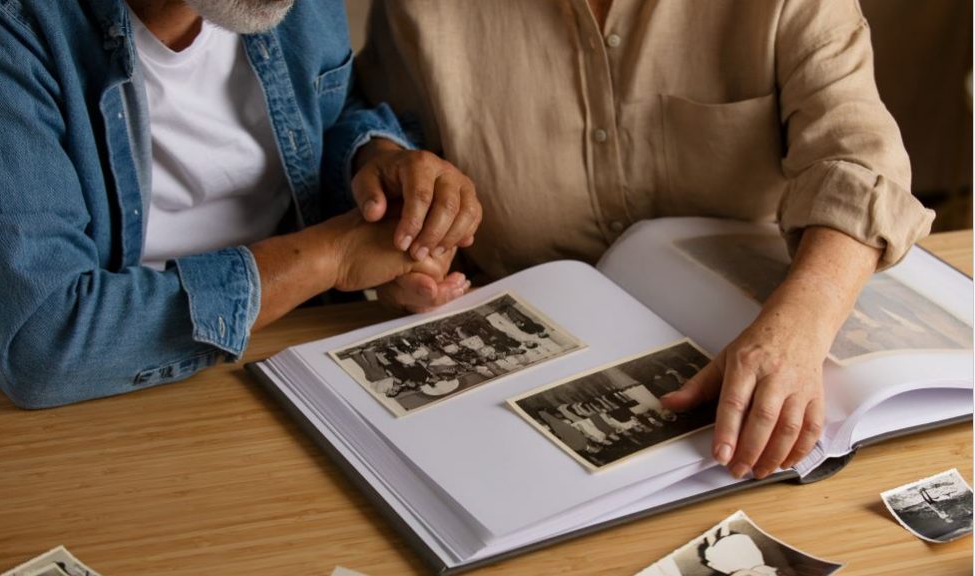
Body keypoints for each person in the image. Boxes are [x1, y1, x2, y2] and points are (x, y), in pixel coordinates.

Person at [358, 0, 935, 480]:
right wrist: (409, 220)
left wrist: (801, 323)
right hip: (519, 382)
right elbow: (376, 131)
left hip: (752, 335)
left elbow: (859, 156)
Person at [0, 0, 481, 408]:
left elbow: (328, 112)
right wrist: (329, 258)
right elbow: (44, 342)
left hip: (289, 358)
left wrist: (381, 172)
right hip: (94, 402)